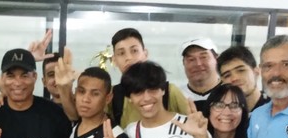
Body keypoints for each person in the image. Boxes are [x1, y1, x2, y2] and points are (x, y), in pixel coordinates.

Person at [55, 28, 190, 128]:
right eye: (121, 53)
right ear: (114, 60)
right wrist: (64, 88)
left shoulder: (169, 91)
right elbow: (79, 117)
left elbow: (192, 126)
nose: (128, 57)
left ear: (145, 53)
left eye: (134, 50)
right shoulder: (113, 95)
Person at [217, 46, 268, 112]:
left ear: (256, 72)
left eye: (241, 70)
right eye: (227, 75)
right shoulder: (221, 114)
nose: (234, 78)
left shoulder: (276, 108)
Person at [180, 38, 222, 110]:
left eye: (203, 57)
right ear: (183, 63)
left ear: (217, 59)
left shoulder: (231, 94)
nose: (198, 64)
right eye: (191, 59)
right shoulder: (175, 97)